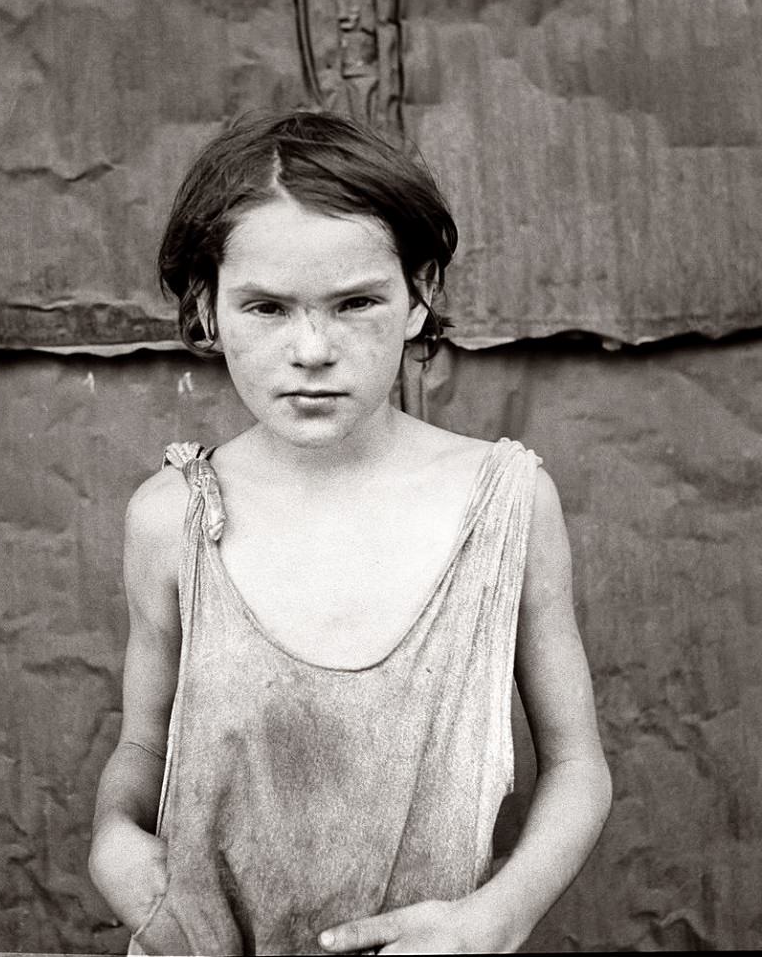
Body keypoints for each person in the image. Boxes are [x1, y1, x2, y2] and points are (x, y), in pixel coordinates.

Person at [88, 110, 611, 955]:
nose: (313, 349)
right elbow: (147, 742)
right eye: (265, 307)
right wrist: (114, 830)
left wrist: (497, 918)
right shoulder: (170, 517)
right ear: (206, 308)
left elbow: (577, 765)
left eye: (357, 302)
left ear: (419, 295)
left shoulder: (505, 504)